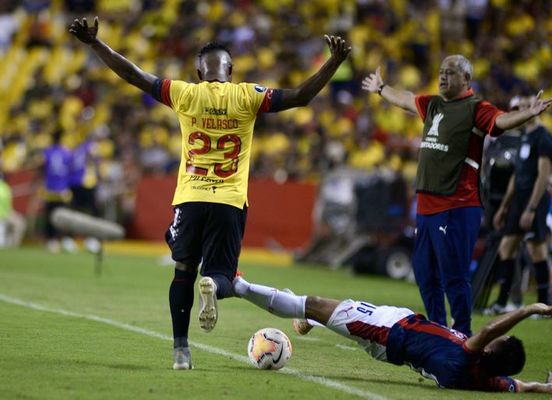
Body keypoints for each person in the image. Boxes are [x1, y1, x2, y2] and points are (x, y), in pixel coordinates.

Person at [69, 17, 351, 370]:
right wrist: (334, 61)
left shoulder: (184, 93)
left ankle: (180, 352)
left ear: (200, 73)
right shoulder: (248, 95)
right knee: (221, 275)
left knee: (182, 270)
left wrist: (96, 44)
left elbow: (133, 75)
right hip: (229, 202)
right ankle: (213, 287)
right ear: (230, 70)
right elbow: (301, 96)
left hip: (190, 198)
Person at [361, 56, 552, 335]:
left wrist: (528, 114)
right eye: (440, 72)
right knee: (425, 274)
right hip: (426, 204)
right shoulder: (433, 104)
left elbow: (503, 120)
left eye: (449, 73)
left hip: (457, 204)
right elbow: (405, 99)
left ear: (466, 79)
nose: (442, 77)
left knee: (453, 274)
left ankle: (462, 333)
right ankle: (438, 331)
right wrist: (381, 88)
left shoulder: (476, 108)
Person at [233, 275, 552, 393]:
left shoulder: (469, 357)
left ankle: (236, 285)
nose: (492, 336)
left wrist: (531, 309)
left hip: (387, 331)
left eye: (498, 341)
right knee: (318, 311)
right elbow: (517, 385)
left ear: (491, 351)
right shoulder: (484, 379)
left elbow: (493, 327)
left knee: (312, 303)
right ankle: (313, 320)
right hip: (393, 338)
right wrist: (544, 387)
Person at [488, 95, 552, 313]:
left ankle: (546, 305)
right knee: (506, 247)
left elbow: (543, 176)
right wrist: (504, 206)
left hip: (534, 199)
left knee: (536, 248)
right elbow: (516, 177)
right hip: (518, 199)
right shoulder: (524, 136)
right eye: (522, 108)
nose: (525, 111)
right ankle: (503, 302)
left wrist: (531, 208)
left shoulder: (543, 137)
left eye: (528, 107)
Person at [41, 128, 74, 253]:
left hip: (50, 189)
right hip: (62, 189)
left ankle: (51, 240)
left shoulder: (47, 152)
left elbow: (43, 168)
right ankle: (64, 240)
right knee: (64, 216)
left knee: (50, 216)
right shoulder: (67, 152)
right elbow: (71, 170)